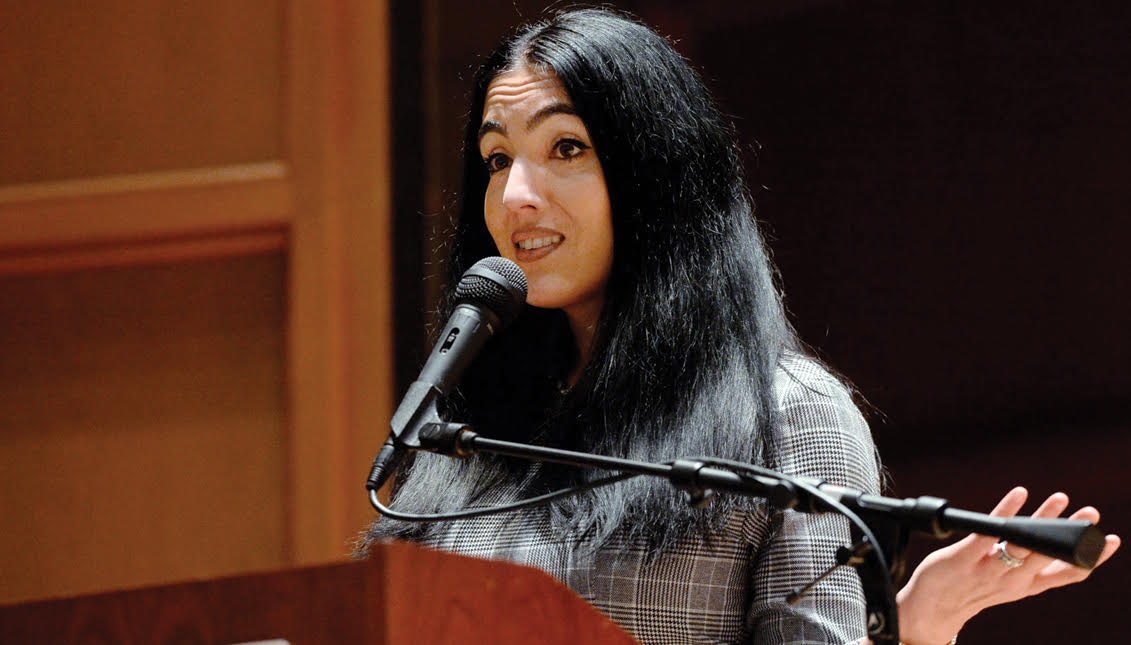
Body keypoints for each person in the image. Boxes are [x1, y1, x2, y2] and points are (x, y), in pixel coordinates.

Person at [359, 8, 1120, 644]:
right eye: (496, 158)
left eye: (565, 148)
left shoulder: (789, 417)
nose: (515, 196)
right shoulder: (467, 425)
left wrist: (910, 630)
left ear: (658, 174)